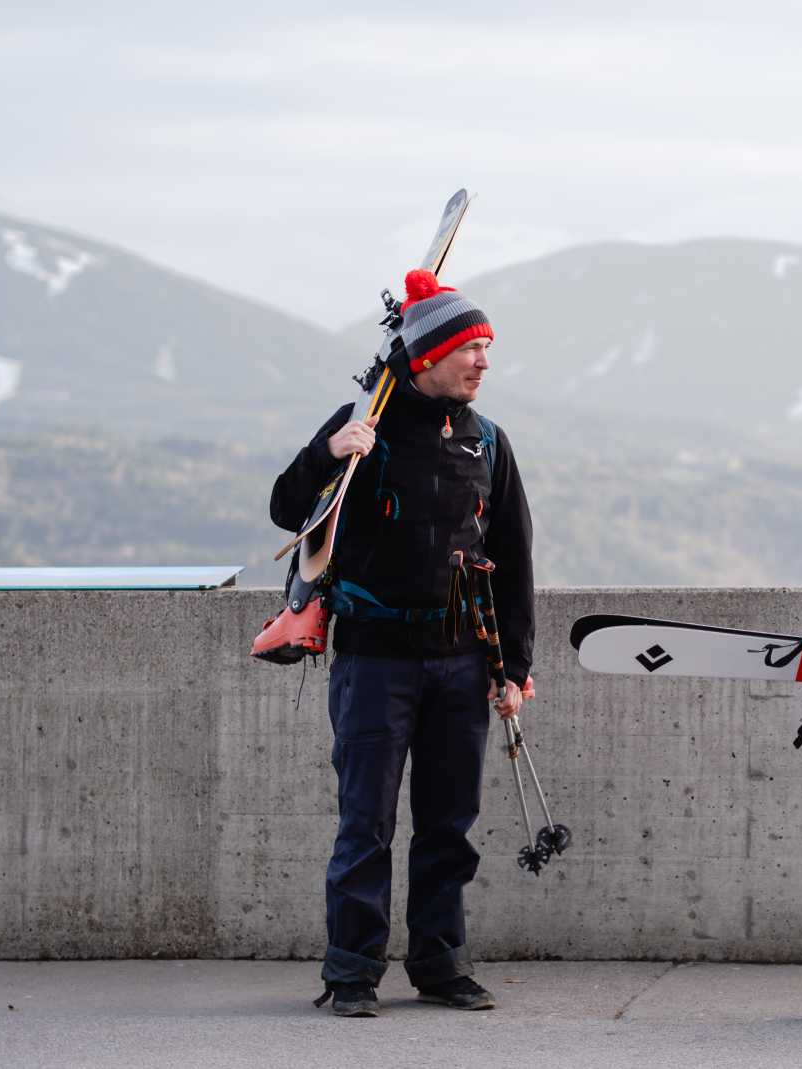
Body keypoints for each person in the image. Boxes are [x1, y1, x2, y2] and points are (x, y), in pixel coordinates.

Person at [269, 270, 534, 1018]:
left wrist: (514, 665)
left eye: (486, 348)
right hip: (373, 660)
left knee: (449, 824)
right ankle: (351, 971)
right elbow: (286, 508)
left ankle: (440, 963)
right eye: (469, 348)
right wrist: (329, 451)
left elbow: (513, 557)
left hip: (460, 660)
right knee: (367, 822)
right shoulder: (363, 425)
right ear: (425, 355)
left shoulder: (488, 441)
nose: (483, 361)